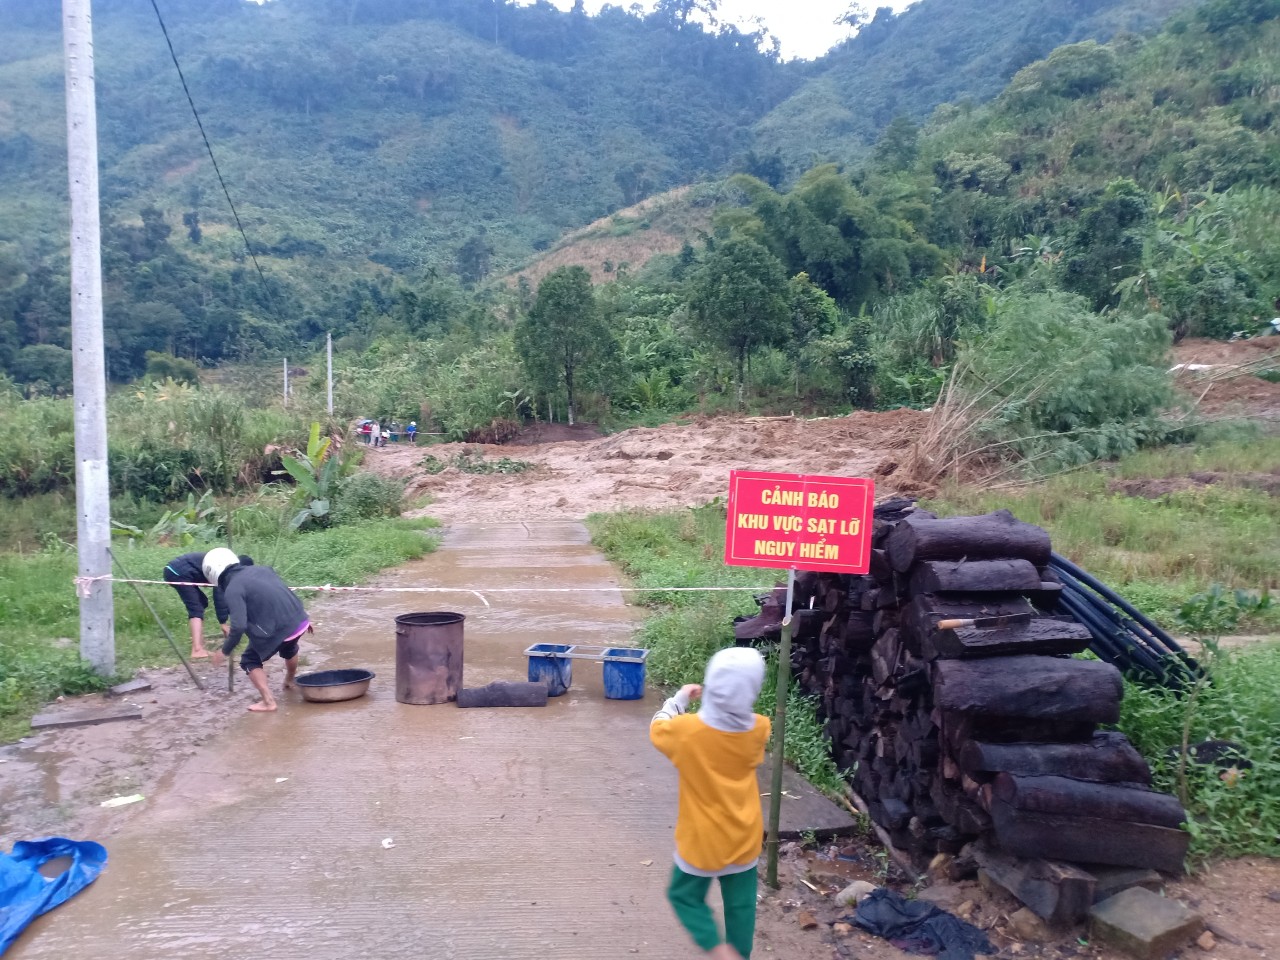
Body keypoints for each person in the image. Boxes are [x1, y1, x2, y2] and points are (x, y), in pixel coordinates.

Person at [650, 647, 771, 960]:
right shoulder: (759, 729)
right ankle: (740, 955)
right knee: (741, 909)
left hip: (702, 841)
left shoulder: (686, 733)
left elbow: (658, 727)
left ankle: (719, 951)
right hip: (744, 836)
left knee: (683, 896)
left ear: (711, 686)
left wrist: (678, 699)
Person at [204, 548, 312, 713]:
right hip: (300, 622)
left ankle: (268, 702)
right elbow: (284, 592)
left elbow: (238, 626)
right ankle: (290, 680)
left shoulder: (233, 588)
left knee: (249, 659)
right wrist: (302, 616)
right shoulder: (263, 569)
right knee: (289, 646)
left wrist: (224, 650)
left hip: (282, 629)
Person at [162, 551, 251, 660]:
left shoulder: (227, 565)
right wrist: (223, 623)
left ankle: (199, 642)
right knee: (196, 608)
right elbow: (219, 595)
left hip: (180, 571)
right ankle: (197, 650)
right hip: (177, 572)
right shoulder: (224, 569)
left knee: (201, 602)